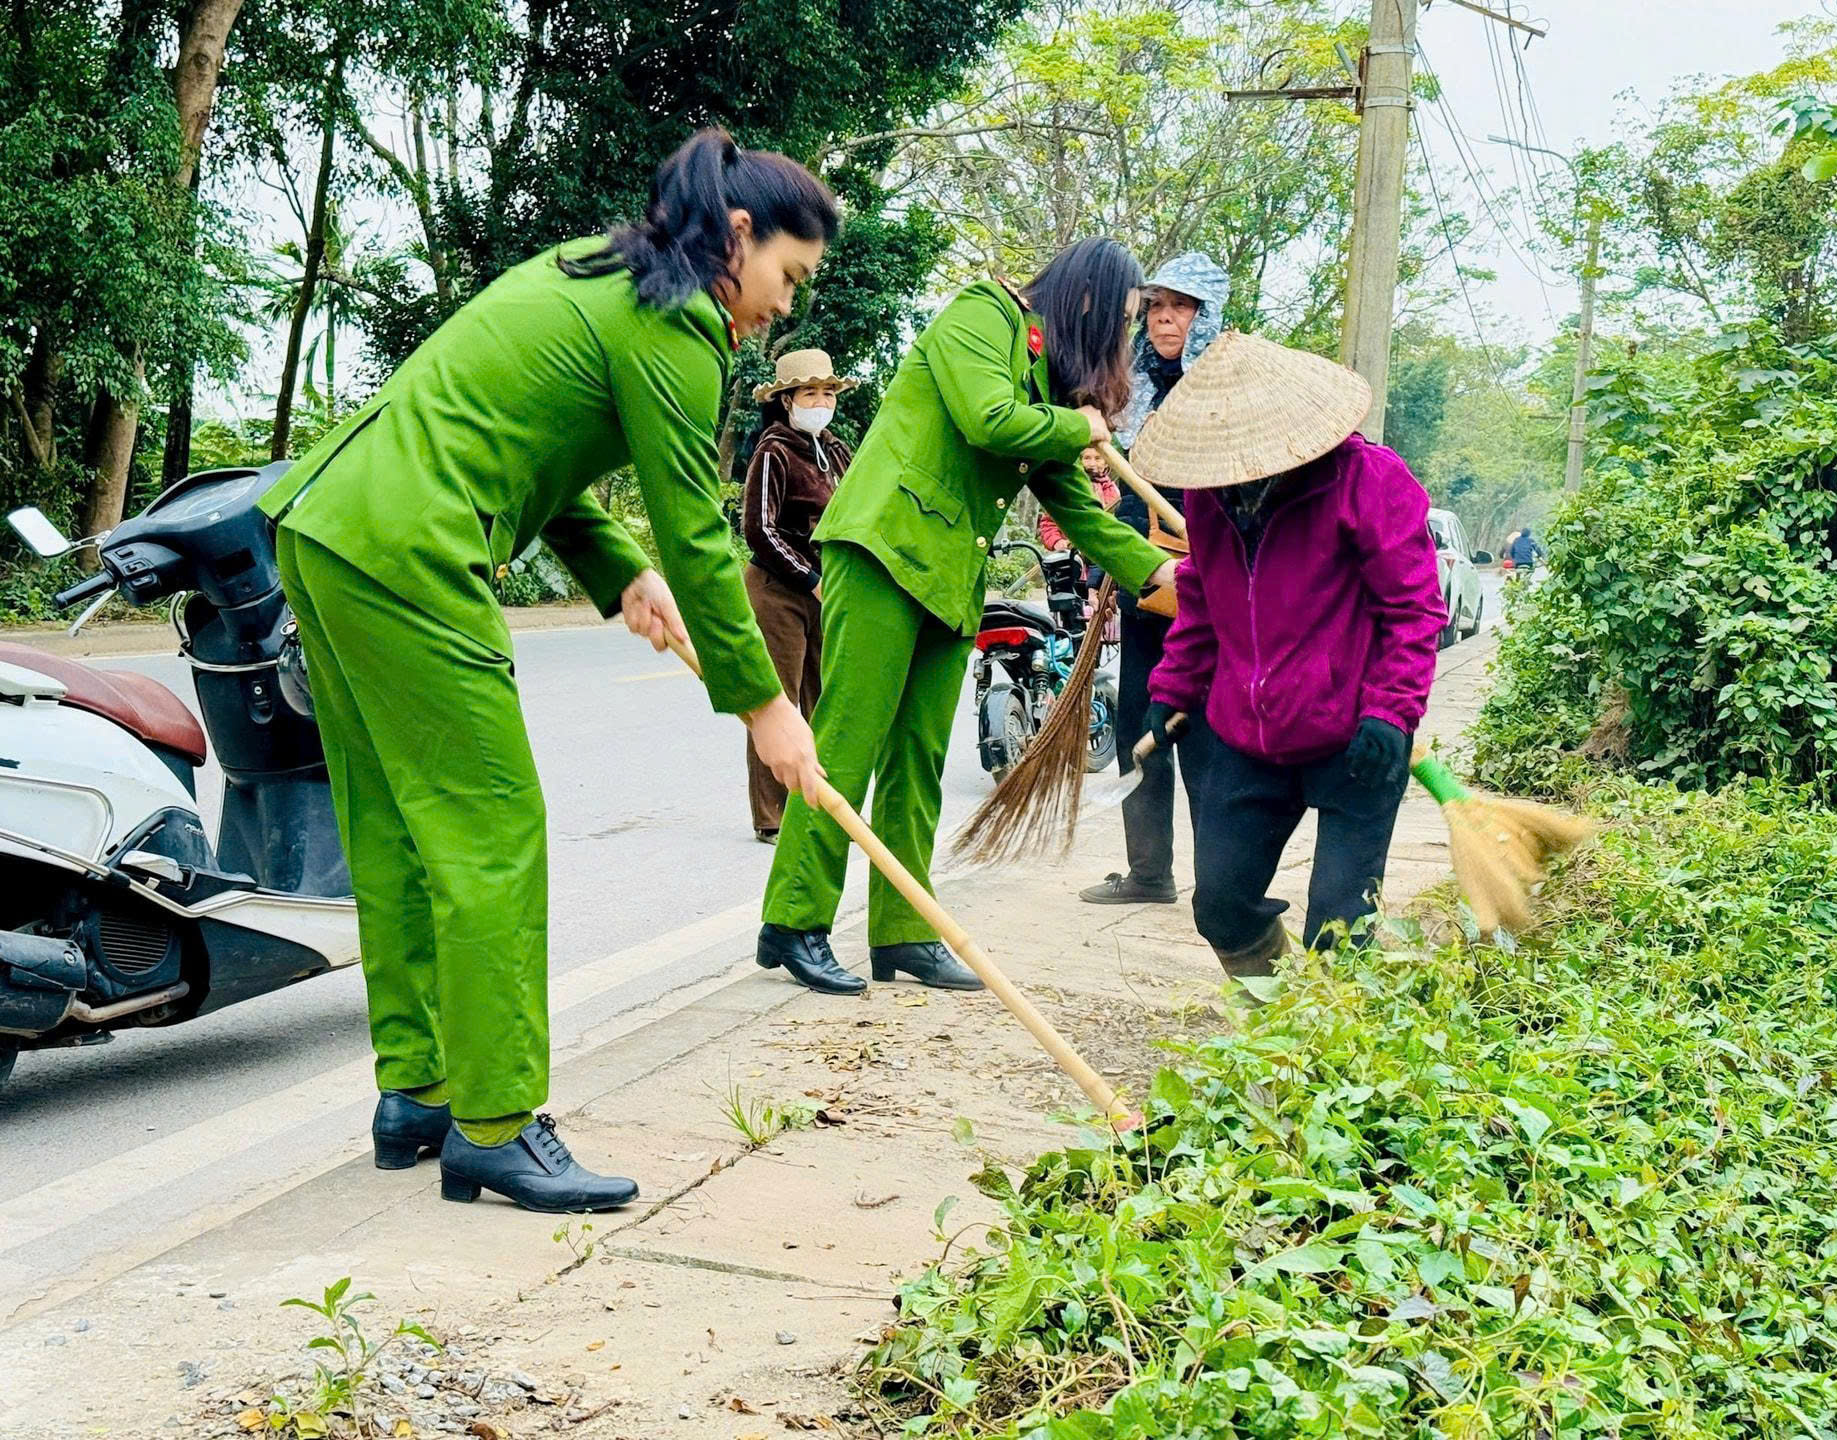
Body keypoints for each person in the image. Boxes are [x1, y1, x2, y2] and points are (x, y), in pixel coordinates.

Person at [257, 130, 835, 1212]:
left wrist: (622, 572)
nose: (784, 308)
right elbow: (702, 537)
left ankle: (419, 1094)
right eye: (787, 277)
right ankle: (497, 1124)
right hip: (415, 548)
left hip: (326, 524)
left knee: (394, 826)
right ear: (741, 236)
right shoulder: (677, 330)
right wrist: (766, 707)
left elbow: (538, 449)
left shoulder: (596, 273)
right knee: (491, 830)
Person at [758, 238, 1180, 996]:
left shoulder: (1046, 381)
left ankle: (904, 931)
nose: (1118, 339)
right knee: (848, 744)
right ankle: (793, 921)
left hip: (950, 579)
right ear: (1085, 300)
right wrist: (1076, 427)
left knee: (917, 761)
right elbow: (989, 419)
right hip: (885, 552)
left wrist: (1160, 572)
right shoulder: (981, 315)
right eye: (1118, 320)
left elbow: (1078, 510)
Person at [1134, 332, 1448, 976]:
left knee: (1339, 934)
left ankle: (1326, 1058)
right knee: (1219, 905)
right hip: (1247, 738)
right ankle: (1276, 1024)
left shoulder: (1371, 481)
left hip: (1356, 741)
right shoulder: (1211, 492)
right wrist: (1171, 691)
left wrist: (1391, 712)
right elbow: (1202, 597)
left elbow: (1415, 612)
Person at [1078, 251, 1230, 908]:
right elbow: (1115, 496)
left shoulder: (1226, 386)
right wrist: (1102, 567)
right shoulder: (1130, 386)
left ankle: (1221, 882)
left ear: (1206, 315)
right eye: (1159, 307)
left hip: (1212, 581)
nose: (1167, 320)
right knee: (1136, 719)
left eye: (1182, 308)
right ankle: (1148, 873)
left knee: (1200, 729)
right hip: (1146, 579)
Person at [741, 349, 857, 842]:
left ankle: (816, 803)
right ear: (786, 399)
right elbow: (760, 530)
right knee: (779, 702)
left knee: (822, 698)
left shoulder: (837, 450)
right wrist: (810, 578)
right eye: (810, 392)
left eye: (828, 392)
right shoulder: (774, 450)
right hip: (780, 589)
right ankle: (772, 817)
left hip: (827, 591)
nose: (821, 400)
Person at [1038, 446, 1120, 552]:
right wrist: (1056, 541)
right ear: (1081, 461)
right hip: (1073, 554)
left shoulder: (1114, 492)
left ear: (1106, 463)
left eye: (1098, 458)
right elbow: (1049, 522)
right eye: (1087, 458)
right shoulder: (1068, 487)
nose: (1092, 463)